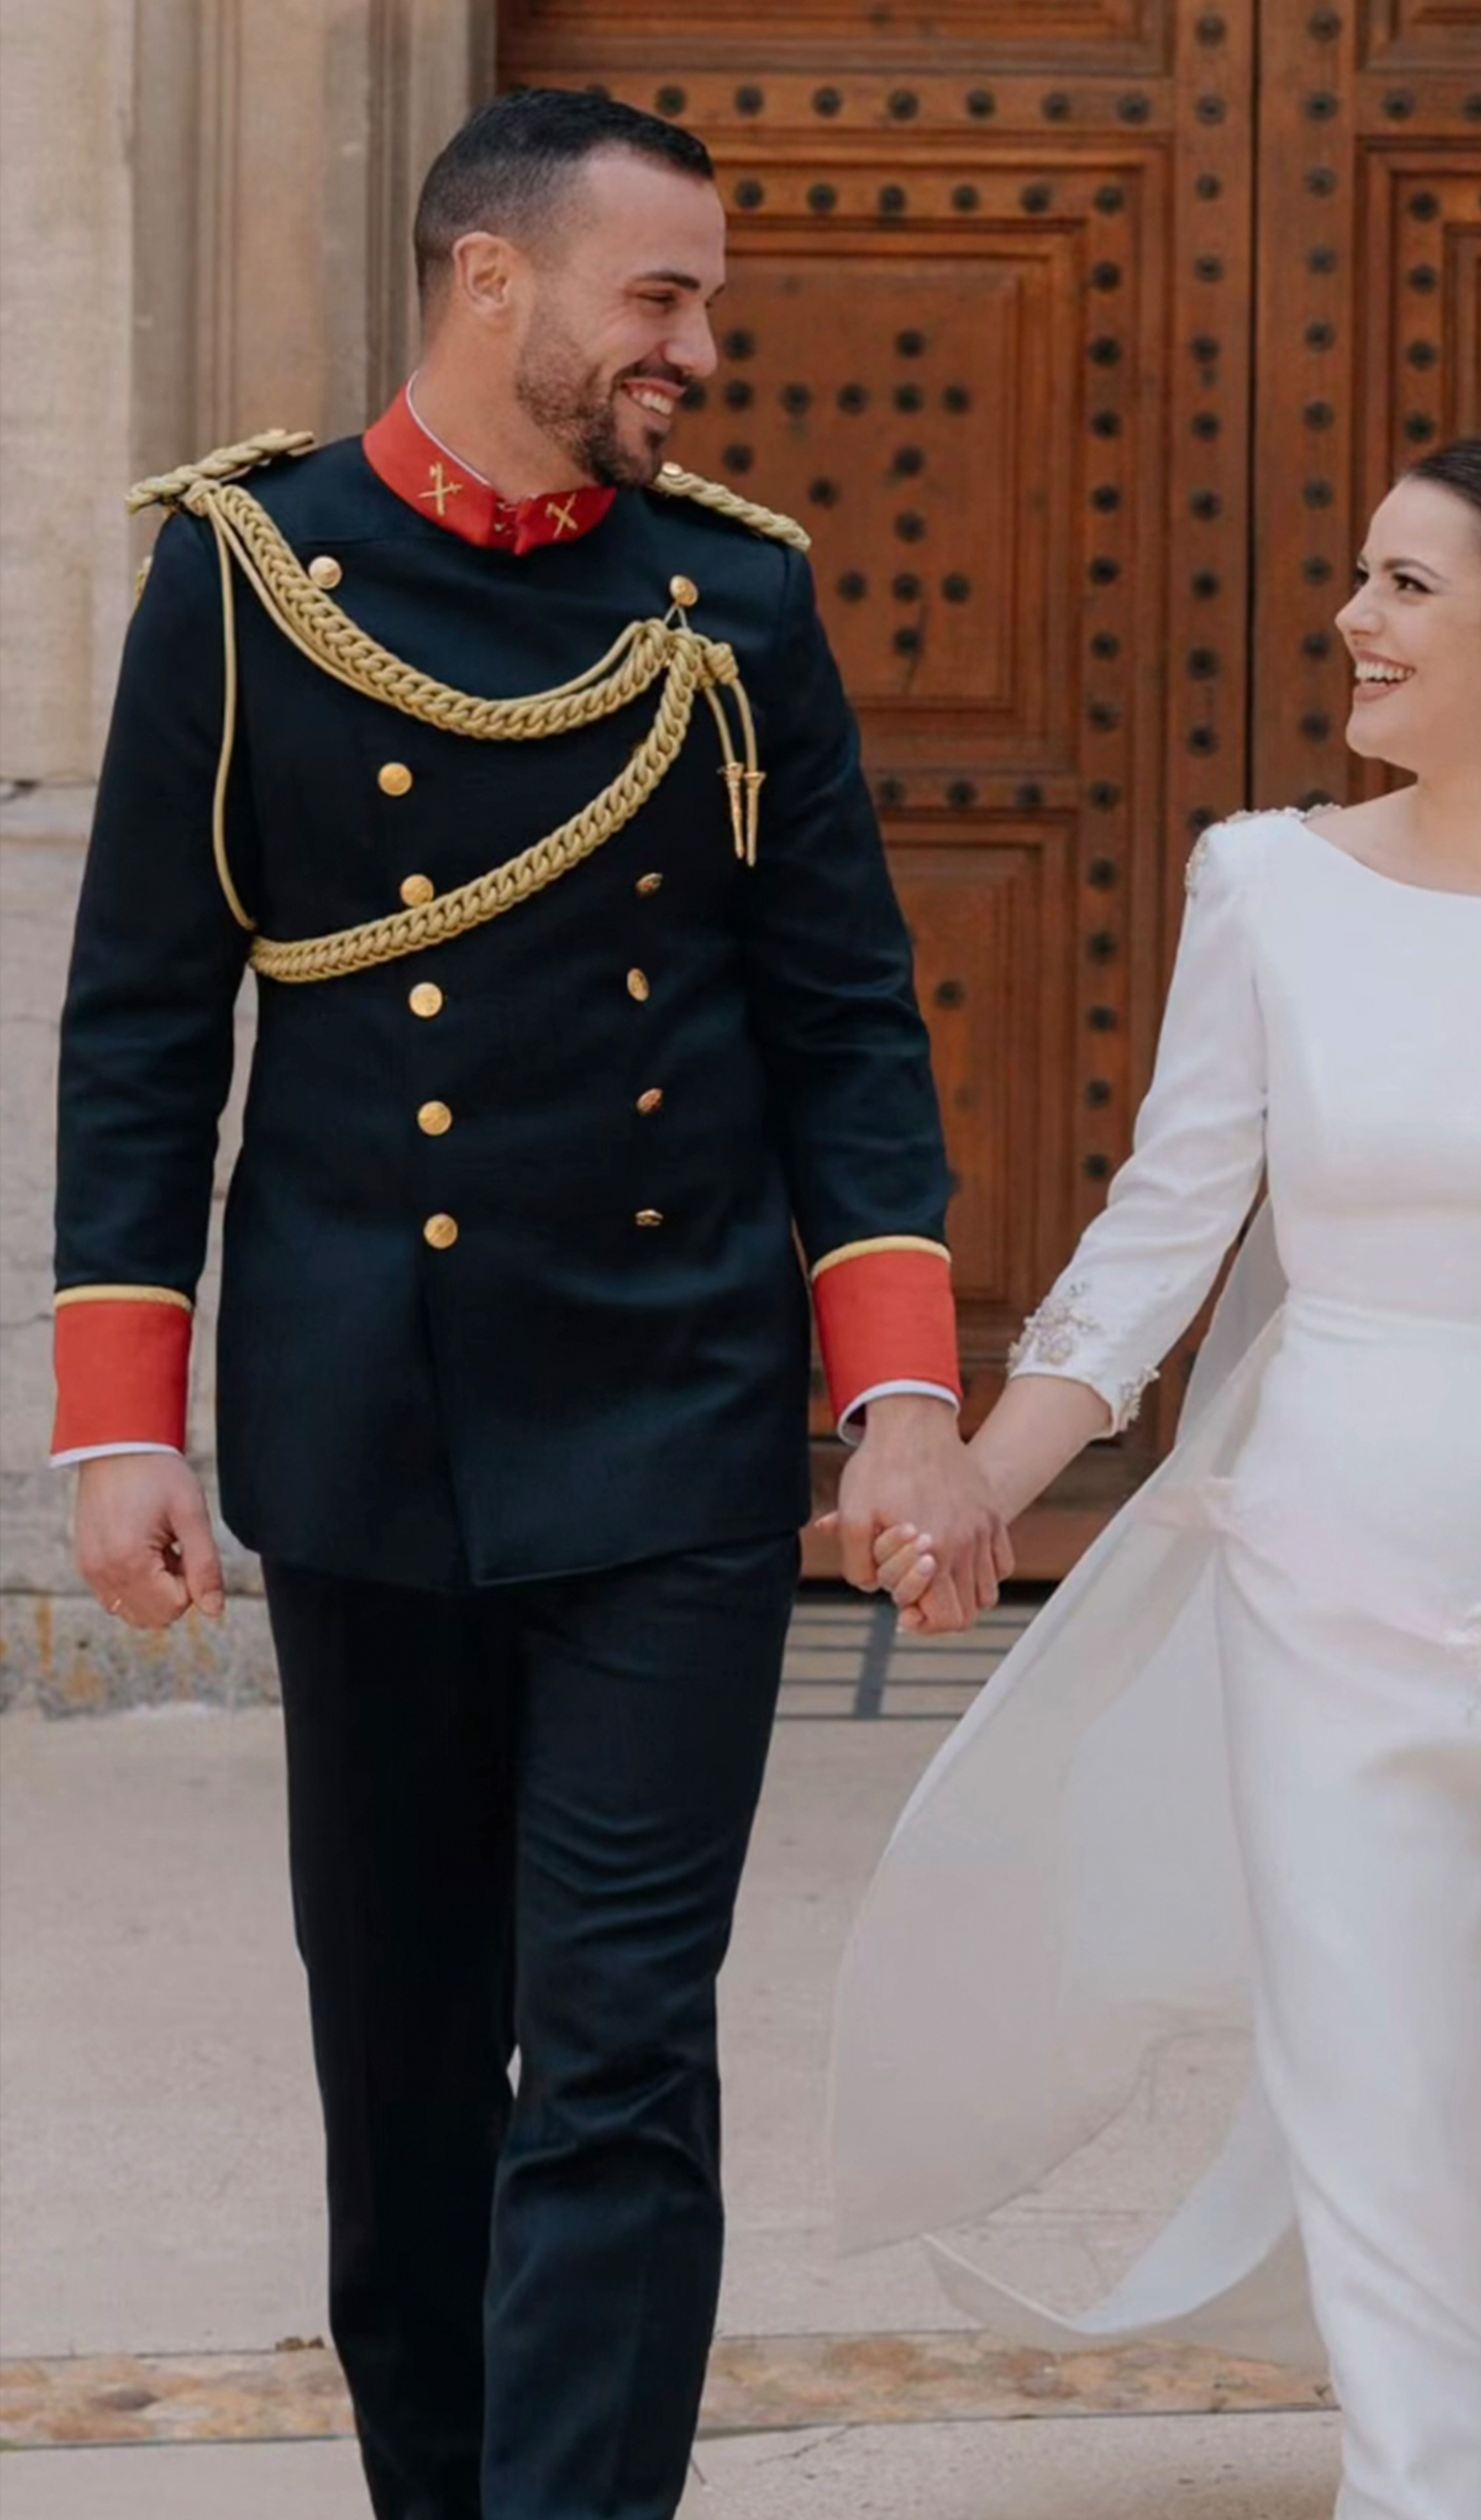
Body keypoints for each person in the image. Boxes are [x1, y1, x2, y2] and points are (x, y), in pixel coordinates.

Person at [54, 88, 1005, 2520]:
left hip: (674, 1413)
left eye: (708, 305)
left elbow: (845, 1021)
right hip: (366, 1415)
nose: (698, 348)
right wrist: (122, 1421)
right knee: (401, 2053)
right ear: (495, 281)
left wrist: (898, 1395)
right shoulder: (248, 574)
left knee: (619, 2052)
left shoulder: (734, 603)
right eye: (658, 297)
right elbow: (146, 1019)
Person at [833, 429, 1481, 2520]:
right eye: (1360, 576)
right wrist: (987, 1478)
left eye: (1404, 586)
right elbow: (1159, 1242)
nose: (1349, 620)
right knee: (1381, 2091)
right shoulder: (1268, 884)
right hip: (1322, 1572)